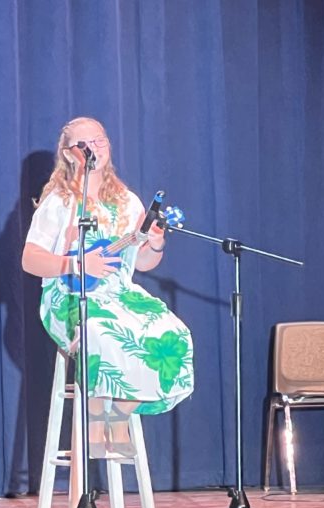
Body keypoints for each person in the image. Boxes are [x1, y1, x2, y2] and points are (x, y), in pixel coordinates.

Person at [21, 117, 194, 458]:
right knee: (99, 331)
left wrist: (155, 243)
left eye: (99, 141)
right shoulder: (60, 201)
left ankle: (118, 414)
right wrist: (76, 264)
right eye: (84, 145)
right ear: (69, 154)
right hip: (68, 296)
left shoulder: (128, 202)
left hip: (119, 296)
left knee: (174, 334)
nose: (93, 149)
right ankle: (95, 426)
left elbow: (142, 262)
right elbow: (30, 259)